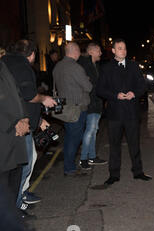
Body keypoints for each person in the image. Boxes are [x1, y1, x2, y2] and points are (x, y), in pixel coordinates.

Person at [2, 40, 57, 214]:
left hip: (18, 122)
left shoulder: (6, 64)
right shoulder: (21, 66)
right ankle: (16, 204)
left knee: (24, 161)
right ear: (32, 54)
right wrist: (43, 100)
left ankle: (20, 196)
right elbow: (28, 95)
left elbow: (19, 97)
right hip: (15, 126)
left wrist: (36, 119)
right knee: (22, 164)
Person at [96, 39, 151, 186]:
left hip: (132, 112)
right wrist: (115, 95)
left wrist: (135, 93)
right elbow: (100, 89)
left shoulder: (133, 66)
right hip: (115, 113)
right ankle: (114, 174)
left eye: (125, 48)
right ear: (113, 51)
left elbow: (142, 85)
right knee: (114, 145)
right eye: (120, 48)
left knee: (134, 144)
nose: (123, 51)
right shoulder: (106, 68)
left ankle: (138, 172)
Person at [53, 42, 93, 176]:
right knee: (74, 139)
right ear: (75, 51)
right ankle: (69, 168)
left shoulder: (57, 66)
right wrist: (86, 79)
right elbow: (88, 87)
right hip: (76, 108)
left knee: (70, 137)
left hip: (64, 108)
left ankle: (69, 165)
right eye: (78, 51)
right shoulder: (76, 67)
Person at [0, 60, 30, 217]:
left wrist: (25, 118)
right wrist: (14, 123)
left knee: (15, 177)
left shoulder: (3, 65)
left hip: (16, 134)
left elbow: (18, 94)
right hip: (4, 134)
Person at [78, 43, 107, 170]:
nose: (101, 53)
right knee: (90, 130)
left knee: (93, 130)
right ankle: (84, 158)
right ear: (91, 51)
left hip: (96, 102)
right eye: (99, 50)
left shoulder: (95, 65)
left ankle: (91, 156)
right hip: (90, 102)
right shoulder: (85, 65)